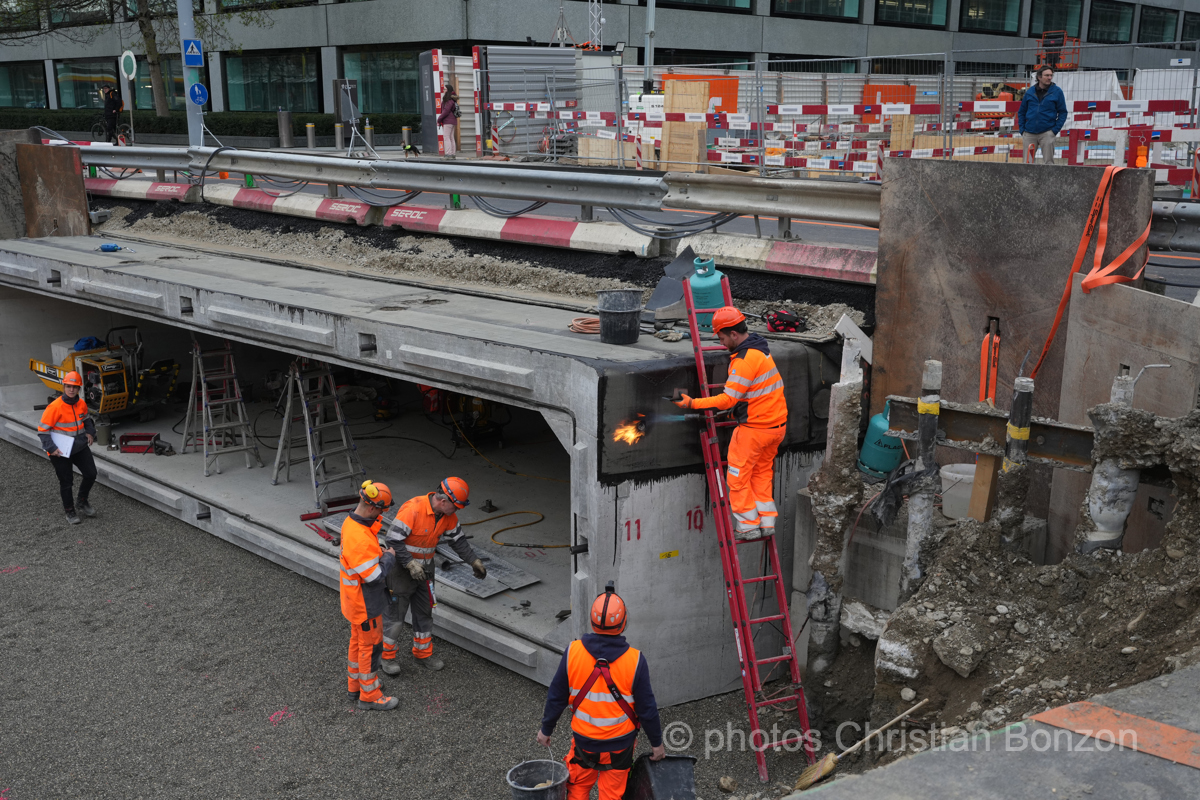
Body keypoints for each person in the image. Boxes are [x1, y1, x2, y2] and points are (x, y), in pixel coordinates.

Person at [538, 582, 664, 800]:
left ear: (592, 620)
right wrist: (657, 744)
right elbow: (647, 709)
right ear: (623, 623)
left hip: (584, 745)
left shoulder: (573, 652)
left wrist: (546, 730)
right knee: (612, 796)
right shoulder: (635, 661)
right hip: (620, 747)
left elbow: (556, 696)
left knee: (577, 791)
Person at [674, 306, 787, 540]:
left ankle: (747, 526)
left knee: (736, 477)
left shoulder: (745, 360)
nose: (722, 342)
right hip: (776, 428)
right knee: (761, 474)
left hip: (755, 430)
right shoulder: (760, 350)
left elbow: (727, 400)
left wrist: (693, 403)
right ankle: (766, 522)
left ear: (733, 334)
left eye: (722, 337)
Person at [380, 477, 486, 674]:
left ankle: (422, 654)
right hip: (400, 571)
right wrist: (410, 563)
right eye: (456, 506)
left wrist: (474, 560)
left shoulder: (448, 516)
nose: (458, 511)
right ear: (443, 501)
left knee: (424, 613)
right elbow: (393, 540)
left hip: (425, 571)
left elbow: (458, 540)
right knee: (395, 617)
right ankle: (385, 658)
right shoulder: (413, 508)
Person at [340, 479, 399, 711]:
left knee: (357, 644)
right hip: (366, 603)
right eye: (382, 511)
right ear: (374, 508)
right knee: (371, 648)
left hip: (354, 601)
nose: (382, 515)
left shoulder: (350, 523)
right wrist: (389, 556)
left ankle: (355, 686)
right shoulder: (361, 538)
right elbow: (374, 577)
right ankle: (370, 695)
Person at [38, 371, 97, 525]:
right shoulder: (54, 407)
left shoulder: (81, 404)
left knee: (91, 474)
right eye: (69, 386)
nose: (71, 389)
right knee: (66, 482)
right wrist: (52, 448)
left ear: (79, 389)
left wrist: (90, 432)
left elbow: (87, 419)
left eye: (75, 387)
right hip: (60, 450)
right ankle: (70, 511)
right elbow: (42, 431)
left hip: (79, 446)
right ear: (64, 386)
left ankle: (82, 501)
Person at [1017, 66, 1067, 165]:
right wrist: (1022, 130)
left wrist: (1054, 131)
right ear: (1039, 77)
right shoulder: (1030, 92)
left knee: (1049, 163)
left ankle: (1049, 181)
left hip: (1047, 133)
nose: (1049, 78)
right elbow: (1022, 112)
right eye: (1046, 75)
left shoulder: (1057, 92)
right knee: (1027, 163)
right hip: (1029, 133)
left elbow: (1063, 112)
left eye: (1051, 75)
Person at [437, 87, 459, 159]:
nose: (443, 90)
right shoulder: (452, 100)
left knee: (446, 137)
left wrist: (439, 119)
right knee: (451, 137)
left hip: (448, 121)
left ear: (448, 90)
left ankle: (448, 154)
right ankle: (452, 154)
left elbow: (445, 111)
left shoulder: (448, 100)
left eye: (445, 89)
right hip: (452, 121)